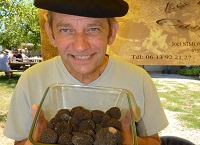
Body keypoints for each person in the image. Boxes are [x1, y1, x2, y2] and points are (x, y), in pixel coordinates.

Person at [3, 0, 168, 145]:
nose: (80, 46)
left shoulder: (138, 79)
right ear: (50, 33)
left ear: (111, 33)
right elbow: (19, 142)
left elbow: (154, 141)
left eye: (94, 29)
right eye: (66, 30)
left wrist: (132, 142)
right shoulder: (31, 80)